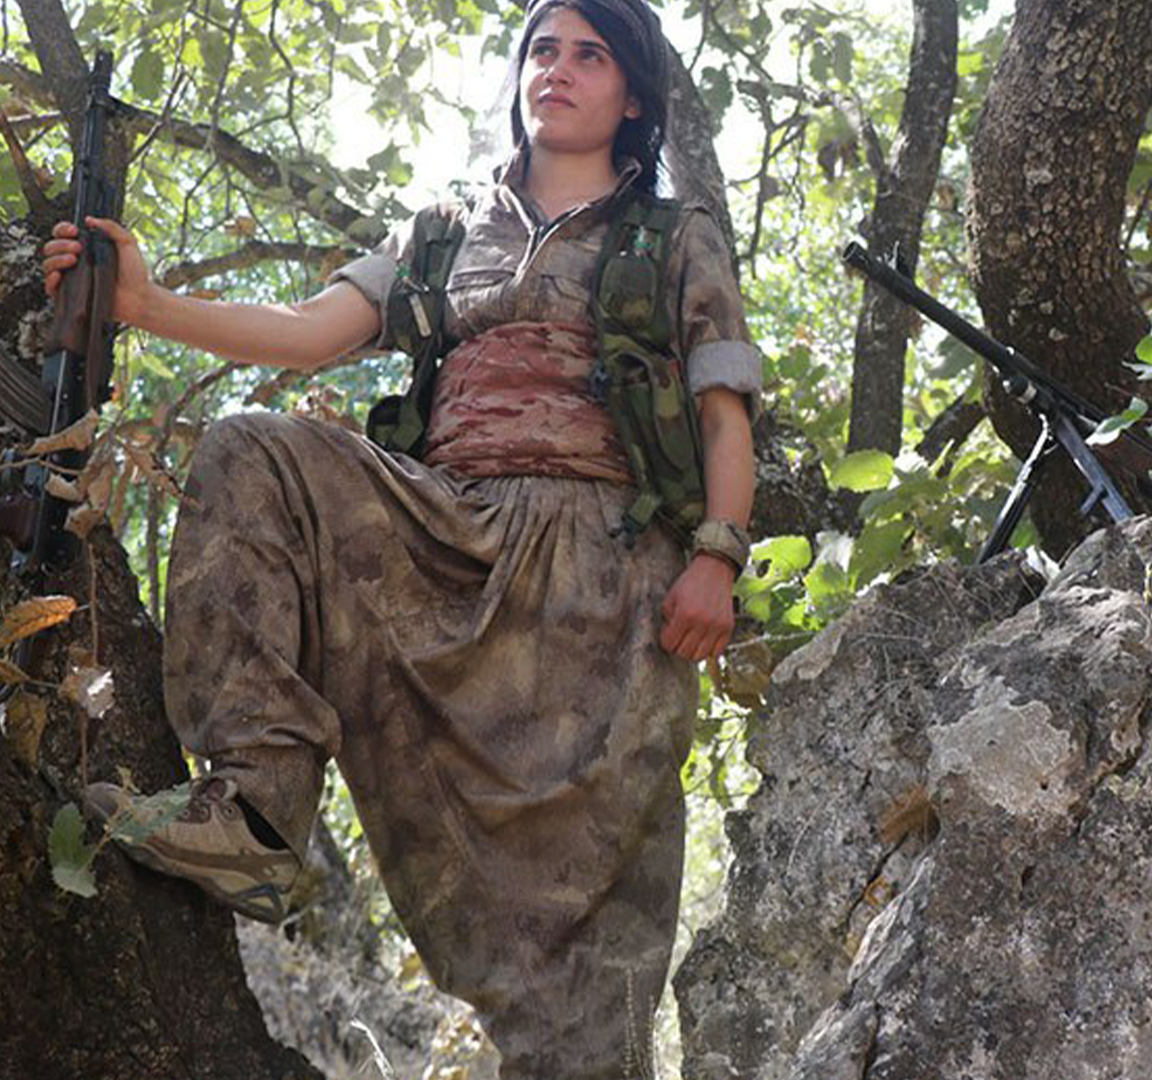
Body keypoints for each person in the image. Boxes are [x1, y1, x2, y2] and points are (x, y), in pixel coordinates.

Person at [41, 1, 755, 1075]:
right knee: (252, 450)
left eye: (589, 55)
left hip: (601, 576)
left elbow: (722, 414)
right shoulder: (447, 225)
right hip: (441, 534)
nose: (557, 70)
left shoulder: (672, 235)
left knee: (586, 956)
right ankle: (259, 811)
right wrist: (143, 302)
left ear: (633, 96)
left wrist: (717, 555)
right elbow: (307, 333)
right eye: (542, 50)